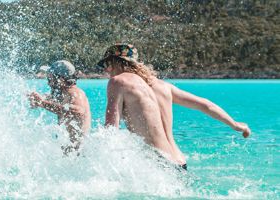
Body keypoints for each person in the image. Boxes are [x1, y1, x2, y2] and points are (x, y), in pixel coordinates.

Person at [99, 44, 251, 170]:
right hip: (179, 163)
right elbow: (205, 105)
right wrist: (236, 125)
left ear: (117, 62)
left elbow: (111, 131)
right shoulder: (163, 87)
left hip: (158, 166)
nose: (106, 70)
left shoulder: (119, 82)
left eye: (106, 64)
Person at [28, 60, 91, 155]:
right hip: (70, 154)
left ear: (60, 79)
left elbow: (79, 111)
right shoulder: (62, 94)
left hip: (78, 154)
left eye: (50, 79)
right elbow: (48, 98)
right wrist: (36, 98)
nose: (48, 83)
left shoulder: (76, 94)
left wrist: (42, 103)